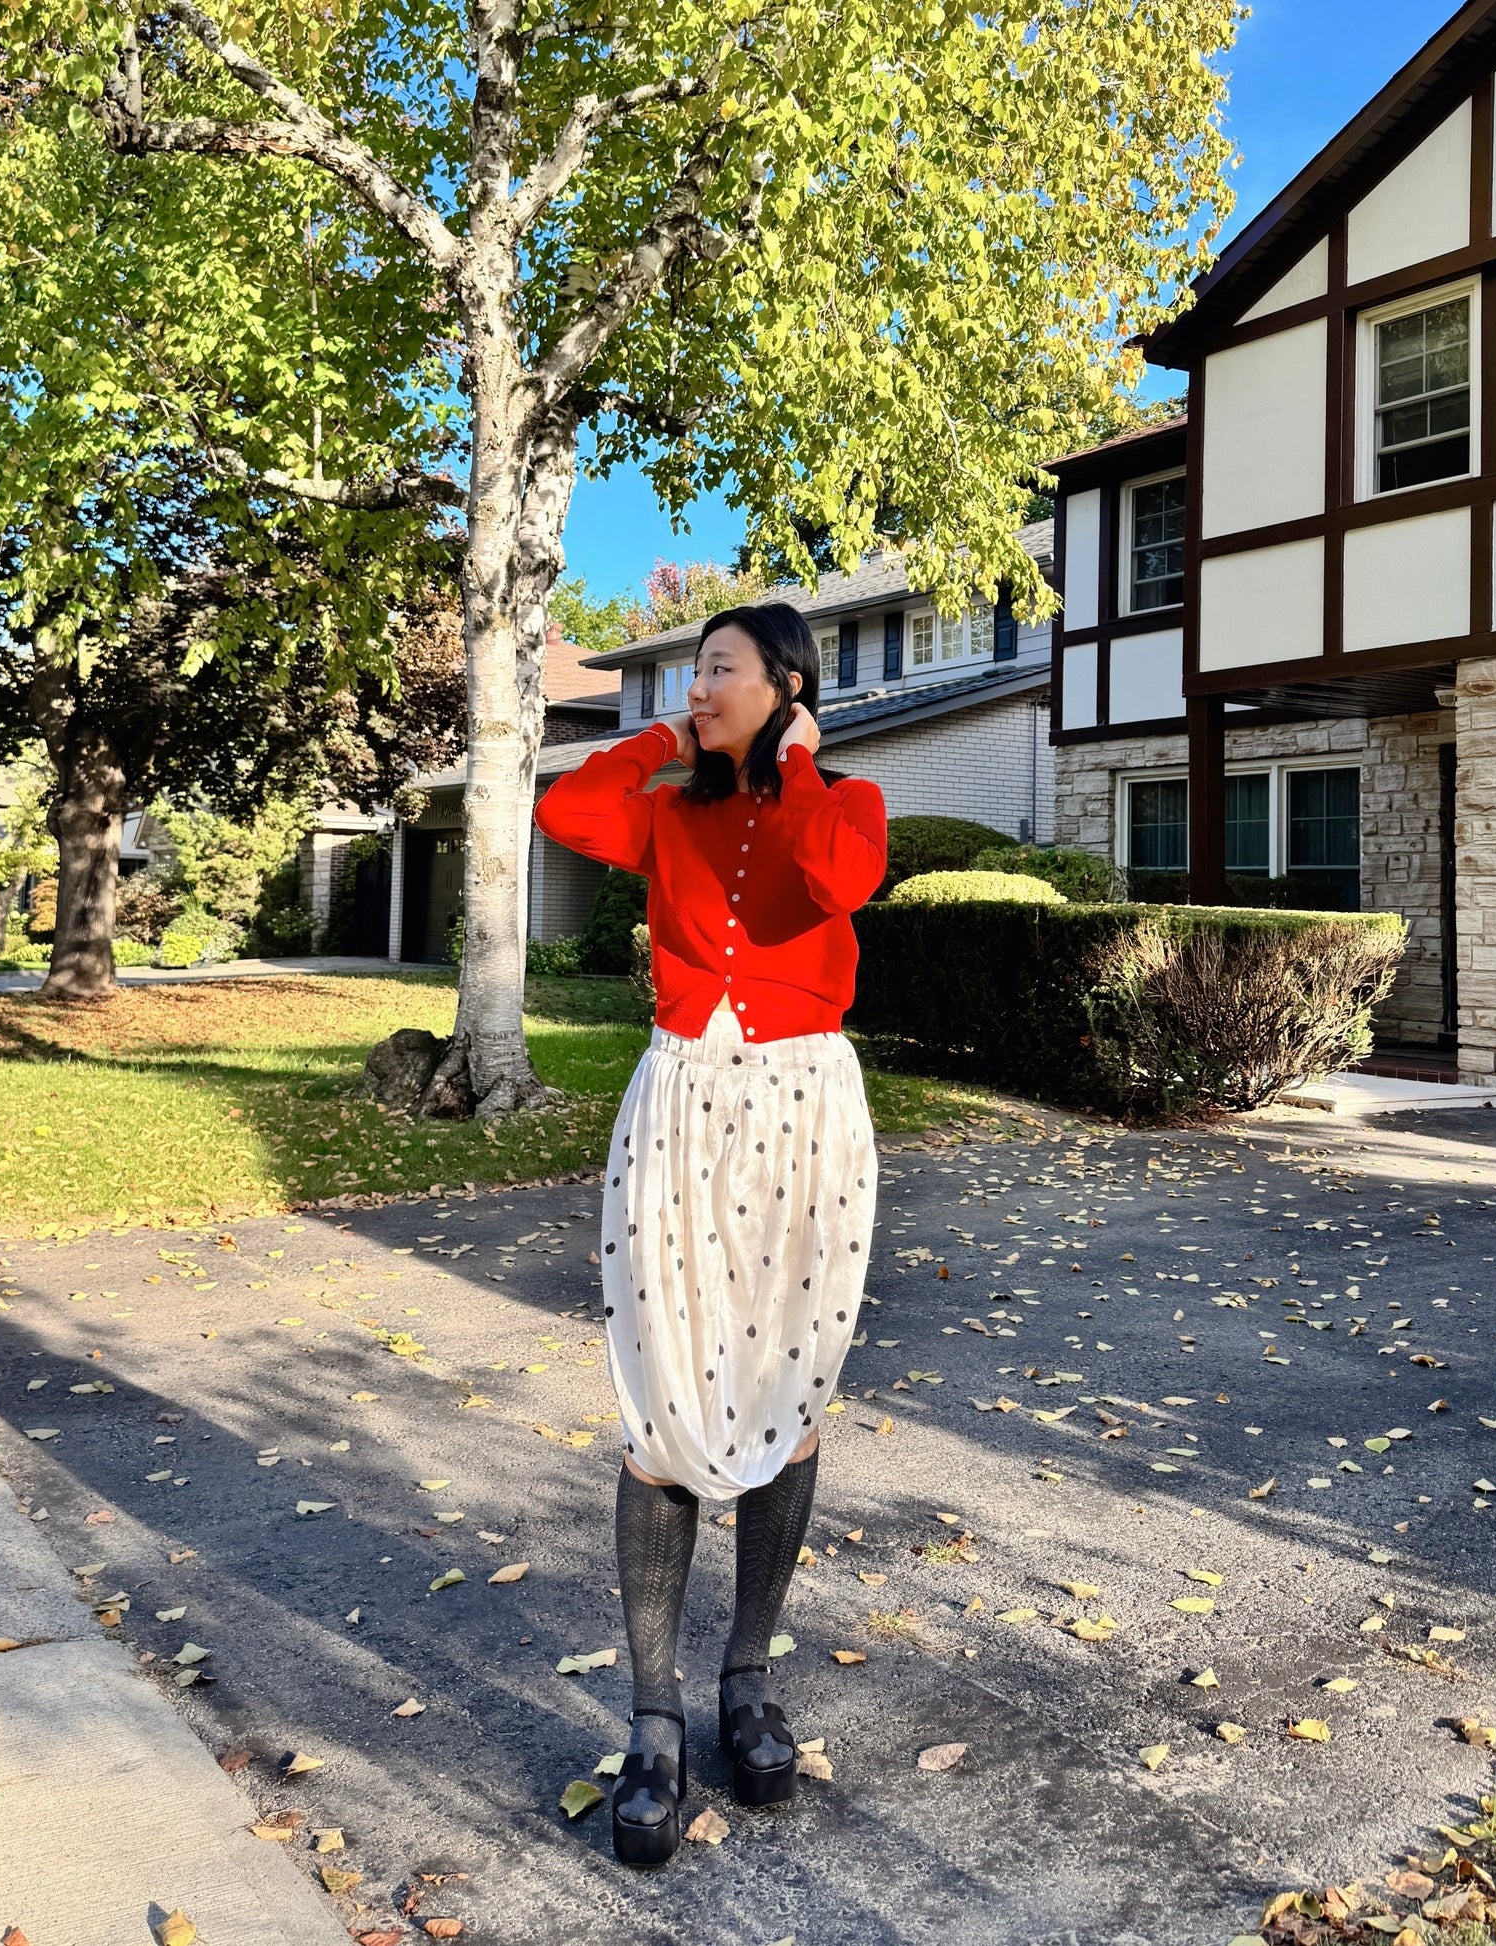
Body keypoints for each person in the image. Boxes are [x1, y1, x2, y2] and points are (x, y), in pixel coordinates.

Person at [534, 601, 888, 1867]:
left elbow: (836, 880)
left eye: (719, 671)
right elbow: (564, 812)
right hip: (681, 1104)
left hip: (802, 1114)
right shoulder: (666, 807)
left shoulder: (845, 801)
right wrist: (658, 744)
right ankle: (652, 1717)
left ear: (786, 685)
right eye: (691, 671)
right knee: (661, 1406)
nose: (695, 687)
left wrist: (795, 761)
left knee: (787, 1395)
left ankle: (746, 1677)